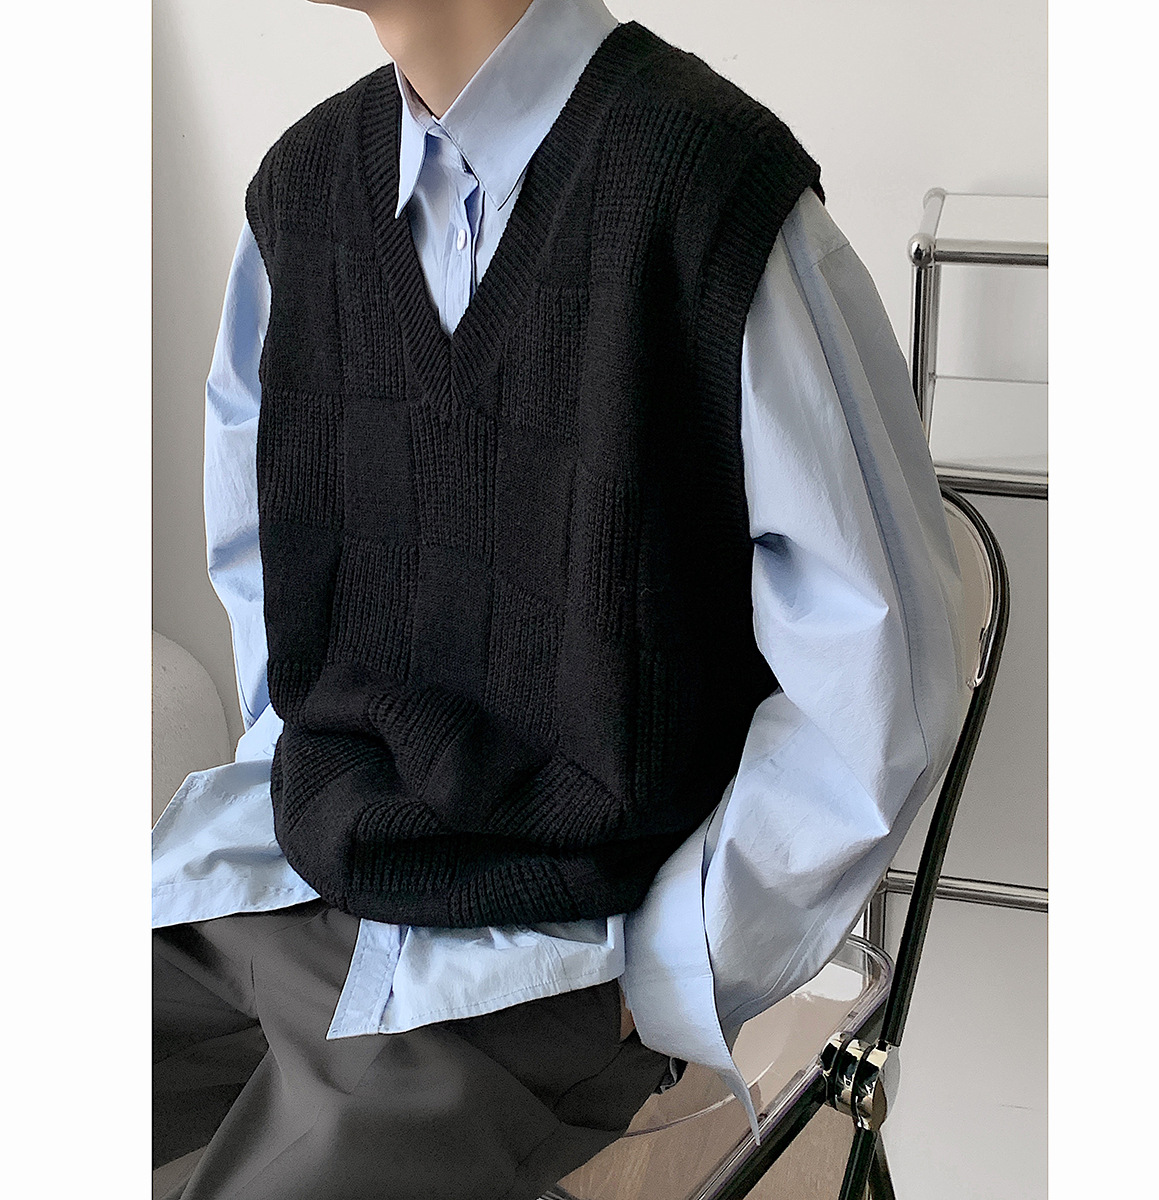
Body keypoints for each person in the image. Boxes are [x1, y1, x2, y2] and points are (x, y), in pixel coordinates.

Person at [152, 1, 970, 1197]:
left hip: (553, 954)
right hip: (285, 878)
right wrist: (294, 766)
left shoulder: (706, 194)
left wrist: (676, 968)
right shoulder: (302, 194)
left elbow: (879, 671)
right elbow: (265, 568)